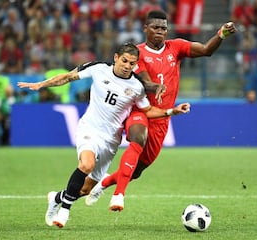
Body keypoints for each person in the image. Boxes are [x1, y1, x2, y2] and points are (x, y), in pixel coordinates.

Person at [17, 42, 190, 228]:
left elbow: (147, 110)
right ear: (116, 58)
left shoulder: (137, 86)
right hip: (90, 128)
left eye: (132, 63)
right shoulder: (98, 68)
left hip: (111, 139)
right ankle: (64, 210)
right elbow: (68, 77)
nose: (127, 66)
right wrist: (41, 84)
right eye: (124, 61)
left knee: (85, 189)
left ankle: (57, 198)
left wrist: (172, 111)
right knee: (86, 164)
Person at [83, 10, 236, 211]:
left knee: (136, 171)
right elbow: (145, 83)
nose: (160, 31)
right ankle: (119, 195)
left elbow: (206, 50)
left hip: (162, 118)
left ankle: (103, 184)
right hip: (142, 110)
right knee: (137, 138)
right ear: (145, 29)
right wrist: (156, 87)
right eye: (155, 27)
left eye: (163, 28)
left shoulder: (177, 47)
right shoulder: (136, 54)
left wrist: (221, 34)